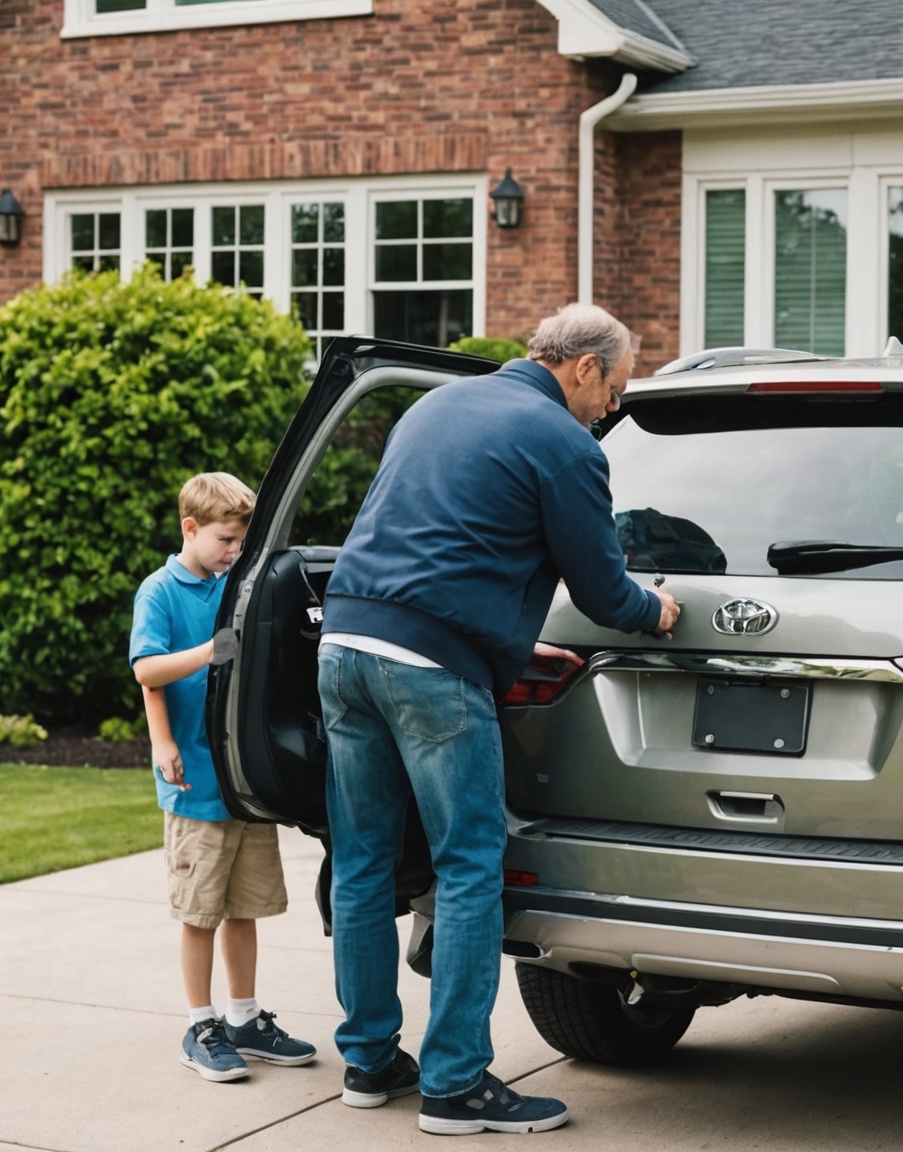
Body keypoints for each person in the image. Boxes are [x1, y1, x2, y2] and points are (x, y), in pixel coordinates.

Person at [316, 304, 679, 1135]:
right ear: (583, 369)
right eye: (612, 391)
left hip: (343, 646)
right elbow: (600, 589)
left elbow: (420, 533)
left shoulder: (435, 403)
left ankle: (369, 1063)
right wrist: (655, 612)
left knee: (364, 862)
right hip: (434, 669)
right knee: (471, 866)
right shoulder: (564, 445)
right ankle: (456, 1086)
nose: (610, 410)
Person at [130, 472, 318, 1082]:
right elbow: (149, 672)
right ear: (191, 528)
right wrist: (162, 740)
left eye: (241, 541)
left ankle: (244, 1018)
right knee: (200, 912)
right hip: (195, 786)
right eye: (227, 540)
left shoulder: (232, 584)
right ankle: (201, 1024)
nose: (236, 552)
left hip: (244, 784)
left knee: (245, 907)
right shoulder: (160, 592)